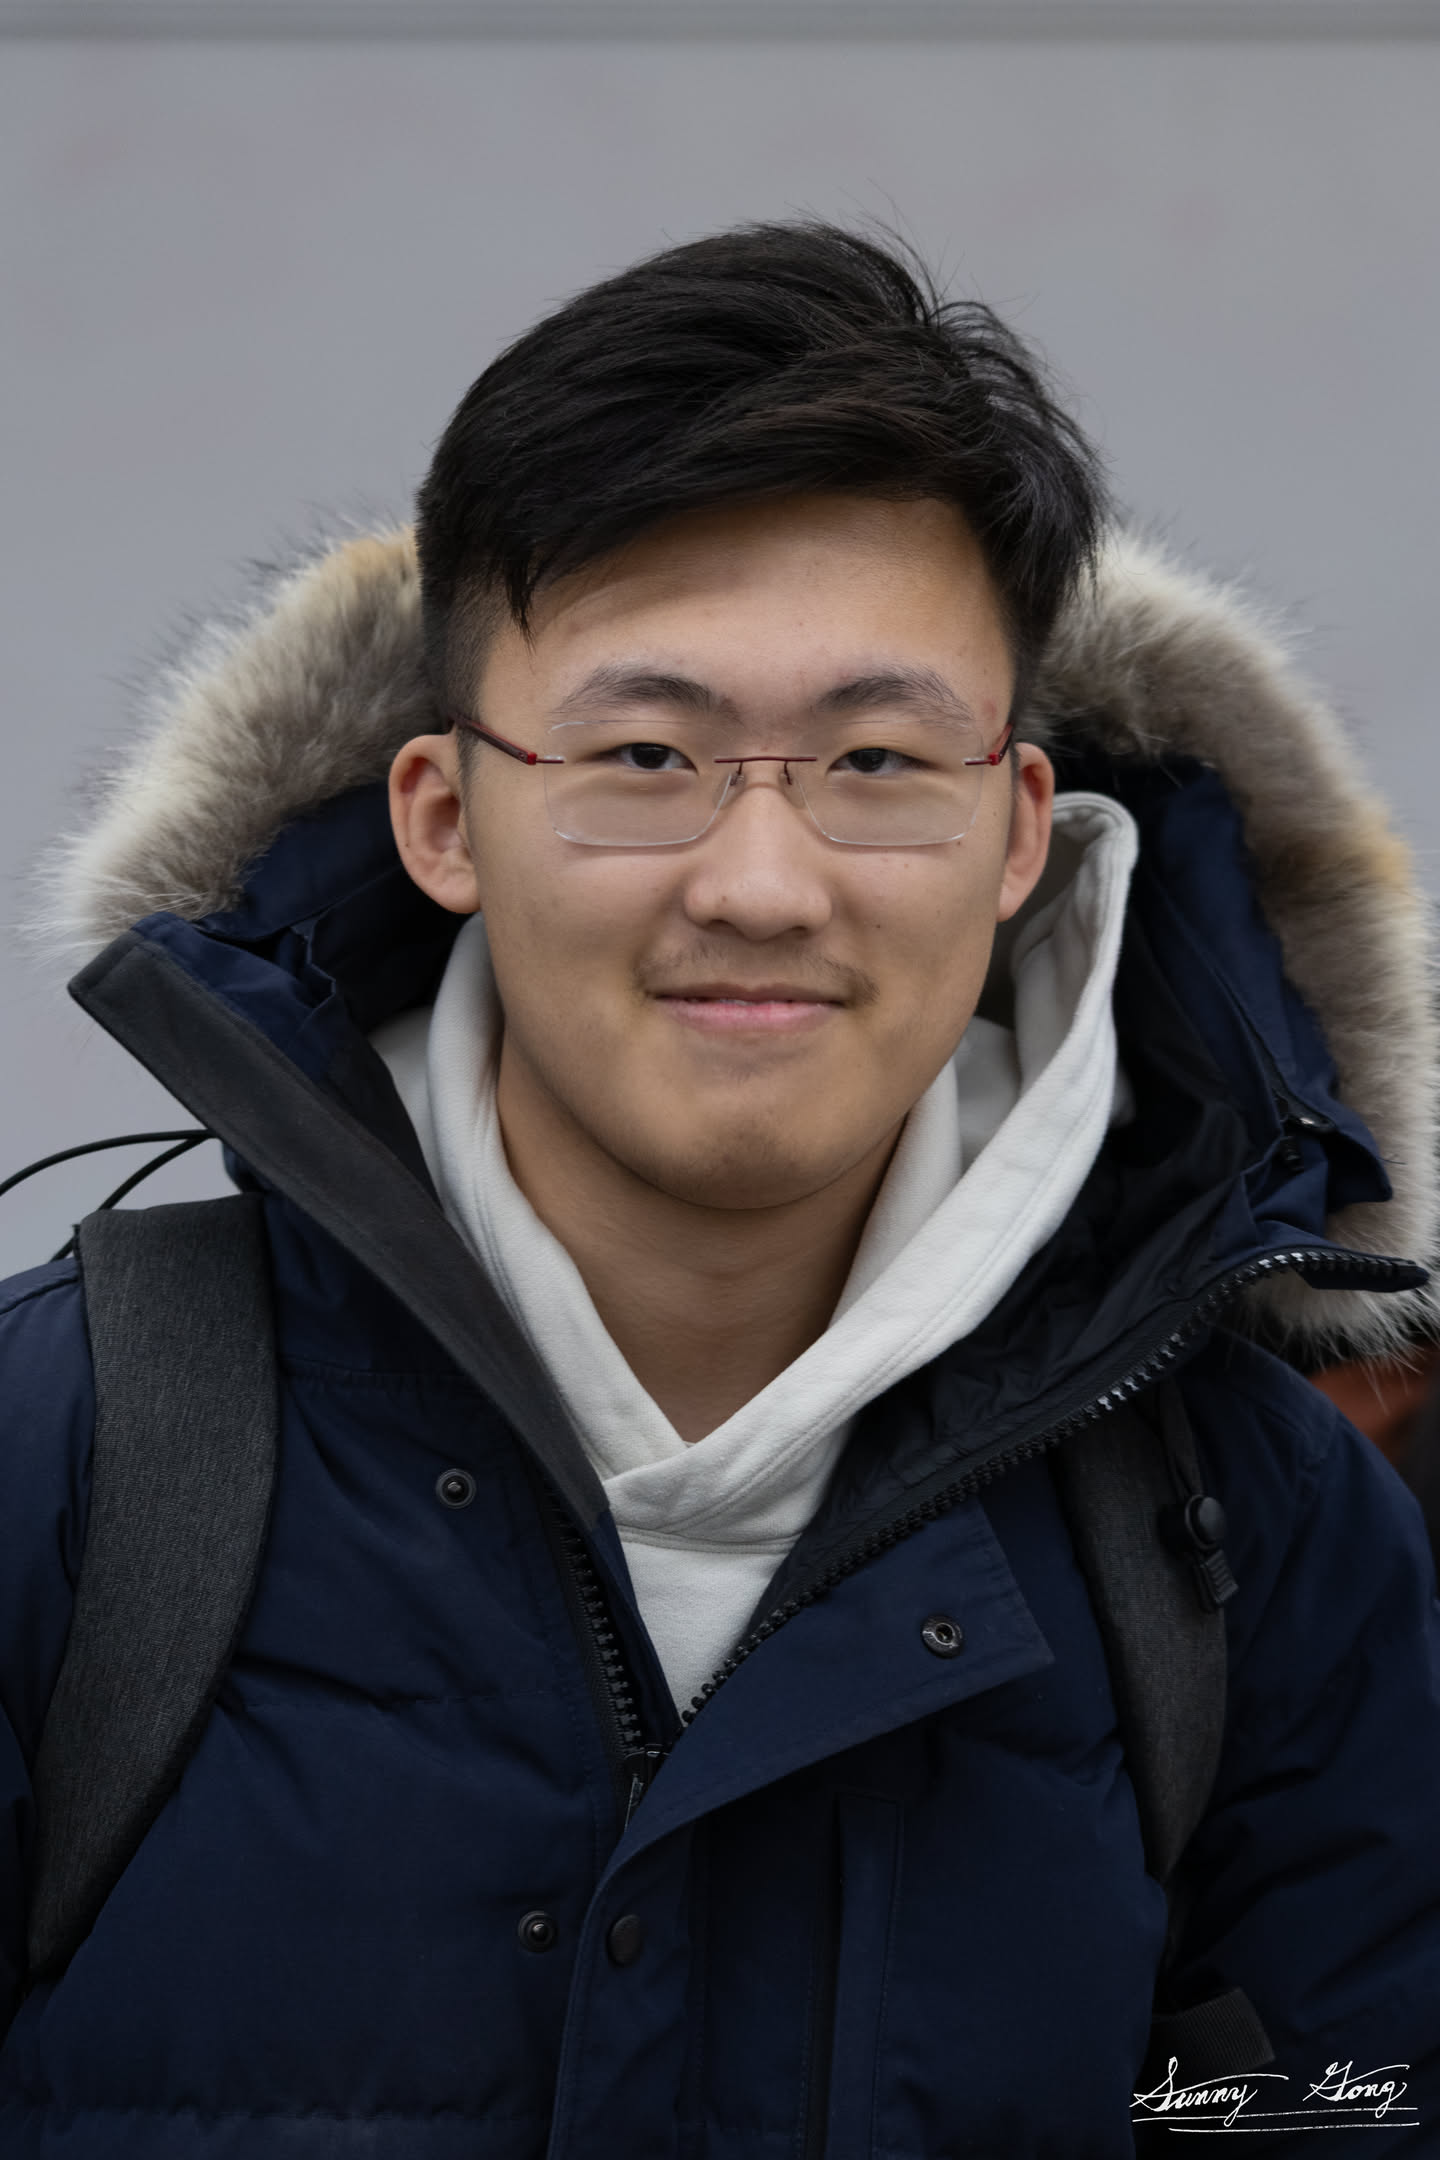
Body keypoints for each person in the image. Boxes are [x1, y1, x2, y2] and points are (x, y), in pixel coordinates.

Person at [2, 222, 1438, 2157]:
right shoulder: (65, 1457)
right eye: (646, 752)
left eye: (876, 759)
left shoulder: (1258, 1539)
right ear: (444, 816)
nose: (761, 883)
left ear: (1020, 830)